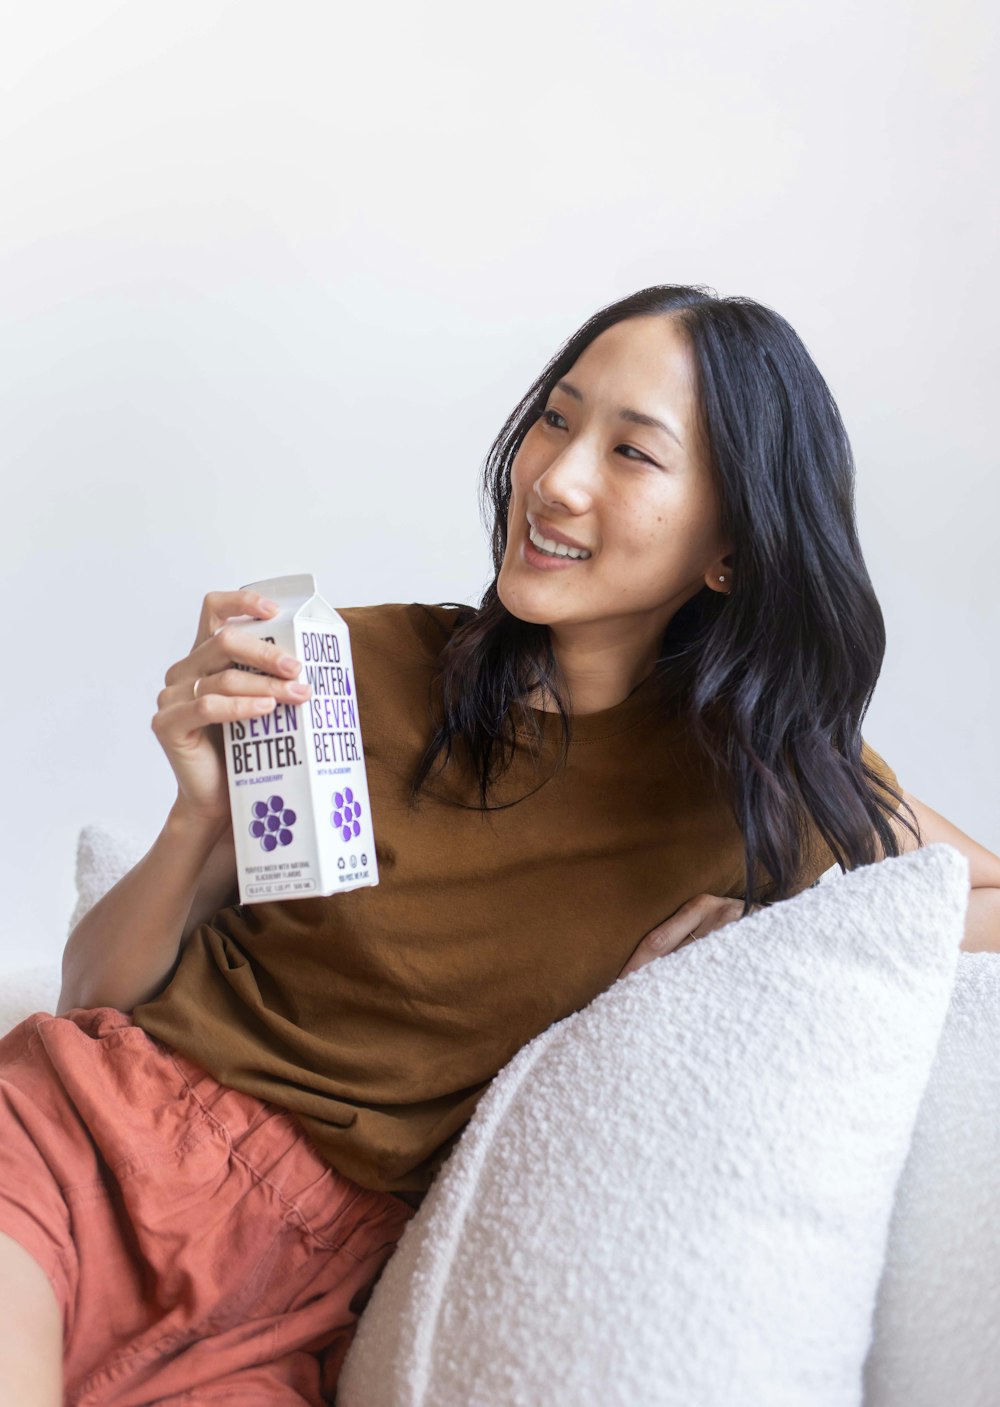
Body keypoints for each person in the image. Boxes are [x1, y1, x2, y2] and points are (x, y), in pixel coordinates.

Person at [2, 284, 998, 1406]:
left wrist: (775, 920)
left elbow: (975, 897)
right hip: (77, 1140)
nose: (557, 478)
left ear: (729, 546)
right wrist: (195, 814)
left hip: (297, 1294)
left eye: (633, 453)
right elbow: (98, 994)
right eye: (556, 419)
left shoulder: (761, 790)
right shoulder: (352, 670)